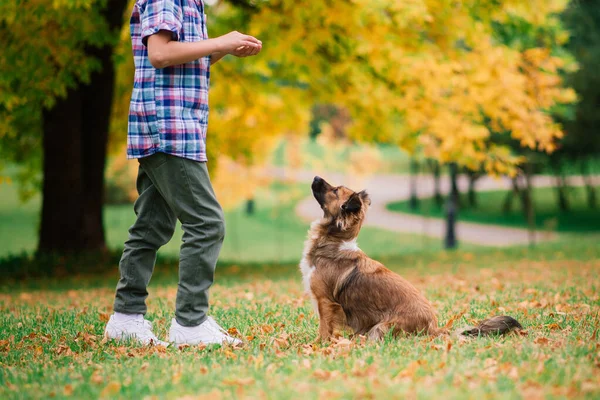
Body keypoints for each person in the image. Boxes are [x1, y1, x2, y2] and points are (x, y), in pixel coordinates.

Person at [104, 0, 262, 346]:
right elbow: (159, 54)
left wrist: (226, 49)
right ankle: (190, 323)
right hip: (170, 127)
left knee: (152, 225)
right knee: (207, 223)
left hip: (172, 126)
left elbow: (183, 59)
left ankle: (125, 317)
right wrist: (221, 41)